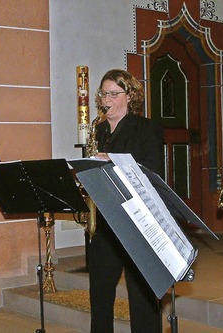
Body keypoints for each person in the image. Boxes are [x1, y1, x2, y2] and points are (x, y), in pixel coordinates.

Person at [88, 69, 164, 333]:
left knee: (142, 300)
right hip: (107, 221)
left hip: (138, 221)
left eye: (113, 94)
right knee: (99, 296)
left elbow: (153, 171)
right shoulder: (98, 130)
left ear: (129, 96)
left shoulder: (145, 128)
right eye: (103, 93)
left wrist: (114, 160)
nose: (105, 99)